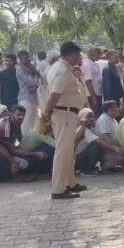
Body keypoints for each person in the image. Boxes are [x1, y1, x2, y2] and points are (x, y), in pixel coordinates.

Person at [44, 41, 87, 200]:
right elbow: (54, 95)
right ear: (70, 54)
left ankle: (70, 182)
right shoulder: (62, 71)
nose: (79, 57)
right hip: (64, 114)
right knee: (63, 151)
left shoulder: (58, 68)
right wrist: (46, 114)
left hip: (66, 113)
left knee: (67, 150)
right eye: (77, 54)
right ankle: (58, 189)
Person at [0, 104, 50, 179]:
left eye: (23, 115)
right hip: (2, 155)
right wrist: (34, 154)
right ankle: (11, 176)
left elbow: (20, 139)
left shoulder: (16, 122)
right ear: (11, 114)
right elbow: (13, 151)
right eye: (18, 114)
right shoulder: (7, 128)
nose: (21, 117)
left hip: (10, 151)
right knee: (27, 163)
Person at [94, 100, 124, 172]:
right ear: (109, 109)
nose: (118, 109)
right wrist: (116, 150)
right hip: (106, 149)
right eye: (116, 107)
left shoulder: (112, 119)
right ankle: (106, 165)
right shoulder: (104, 119)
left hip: (113, 148)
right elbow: (107, 140)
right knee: (120, 158)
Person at [16, 50, 40, 135]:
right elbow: (30, 82)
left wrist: (36, 81)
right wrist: (37, 79)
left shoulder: (31, 67)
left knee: (35, 124)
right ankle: (24, 145)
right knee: (25, 124)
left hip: (33, 99)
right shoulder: (19, 69)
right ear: (20, 58)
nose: (29, 59)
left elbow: (36, 80)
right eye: (26, 57)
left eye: (29, 57)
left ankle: (32, 144)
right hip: (25, 99)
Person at [82, 47, 103, 118]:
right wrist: (94, 97)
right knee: (95, 116)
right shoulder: (87, 65)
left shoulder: (93, 63)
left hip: (97, 93)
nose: (99, 56)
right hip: (92, 95)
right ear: (91, 55)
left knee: (98, 114)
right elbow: (88, 82)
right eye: (97, 55)